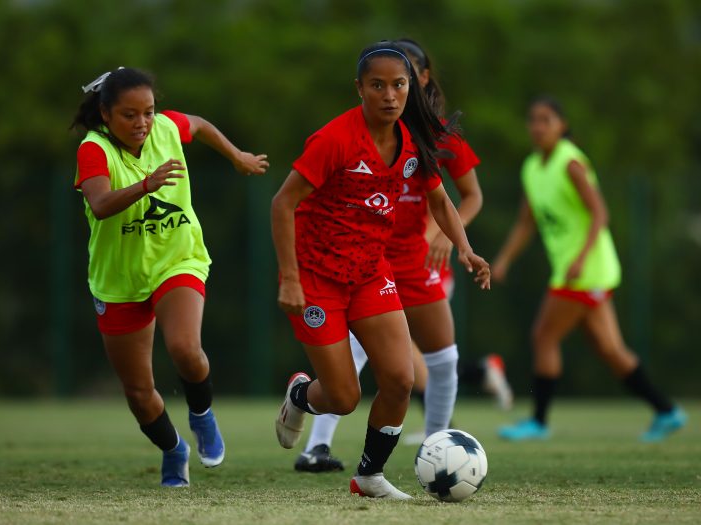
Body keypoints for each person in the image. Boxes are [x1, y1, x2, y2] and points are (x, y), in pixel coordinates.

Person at [271, 41, 491, 499]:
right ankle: (299, 396)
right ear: (359, 89)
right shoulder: (334, 140)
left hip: (371, 274)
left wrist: (465, 249)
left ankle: (369, 476)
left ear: (411, 87)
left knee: (399, 379)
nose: (389, 95)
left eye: (398, 85)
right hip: (317, 279)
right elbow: (282, 203)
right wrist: (289, 277)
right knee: (344, 398)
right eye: (378, 85)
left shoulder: (411, 141)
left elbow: (440, 200)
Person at [71, 67, 269, 486]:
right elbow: (102, 204)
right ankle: (173, 449)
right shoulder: (93, 149)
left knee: (184, 347)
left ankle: (202, 415)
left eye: (148, 111)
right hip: (118, 279)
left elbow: (198, 125)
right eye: (129, 115)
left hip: (177, 258)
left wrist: (236, 156)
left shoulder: (165, 127)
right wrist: (147, 184)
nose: (143, 122)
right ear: (105, 114)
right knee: (140, 397)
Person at [493, 95, 687, 442]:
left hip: (586, 270)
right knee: (610, 350)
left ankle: (538, 422)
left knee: (544, 335)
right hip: (575, 270)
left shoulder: (570, 163)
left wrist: (581, 258)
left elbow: (600, 213)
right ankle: (666, 411)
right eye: (533, 120)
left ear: (562, 126)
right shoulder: (532, 168)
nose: (538, 127)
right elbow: (526, 222)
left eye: (546, 120)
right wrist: (505, 259)